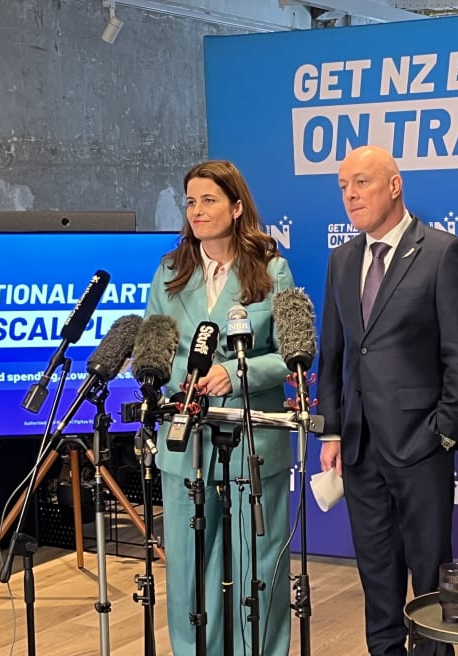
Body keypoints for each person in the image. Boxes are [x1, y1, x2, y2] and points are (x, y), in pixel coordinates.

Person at [317, 145, 458, 656]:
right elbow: (335, 351)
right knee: (376, 573)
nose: (350, 194)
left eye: (361, 182)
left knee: (431, 577)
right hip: (359, 446)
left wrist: (445, 431)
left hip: (421, 444)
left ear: (394, 185)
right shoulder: (342, 259)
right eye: (344, 186)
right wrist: (330, 428)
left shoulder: (441, 252)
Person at [145, 160, 294, 656]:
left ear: (236, 206)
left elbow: (289, 354)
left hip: (252, 440)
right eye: (190, 201)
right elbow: (156, 346)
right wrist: (173, 378)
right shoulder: (169, 270)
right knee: (187, 569)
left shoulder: (271, 268)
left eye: (209, 200)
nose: (197, 211)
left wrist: (235, 372)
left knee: (258, 564)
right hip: (186, 443)